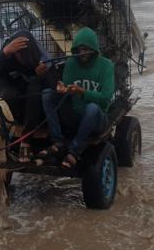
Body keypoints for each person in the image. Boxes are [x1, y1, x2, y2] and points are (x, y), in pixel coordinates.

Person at [41, 27, 114, 168]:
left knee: (91, 108)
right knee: (47, 94)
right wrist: (63, 89)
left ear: (94, 49)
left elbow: (106, 98)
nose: (83, 53)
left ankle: (74, 151)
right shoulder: (71, 63)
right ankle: (58, 141)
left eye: (87, 49)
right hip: (75, 115)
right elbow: (68, 89)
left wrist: (83, 91)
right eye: (80, 50)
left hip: (98, 118)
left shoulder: (106, 66)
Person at [0, 30, 56, 162]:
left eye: (21, 54)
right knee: (3, 88)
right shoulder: (9, 55)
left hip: (36, 112)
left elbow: (52, 86)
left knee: (35, 85)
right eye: (16, 53)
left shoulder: (42, 59)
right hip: (14, 105)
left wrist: (41, 75)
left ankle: (26, 140)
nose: (19, 57)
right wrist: (5, 53)